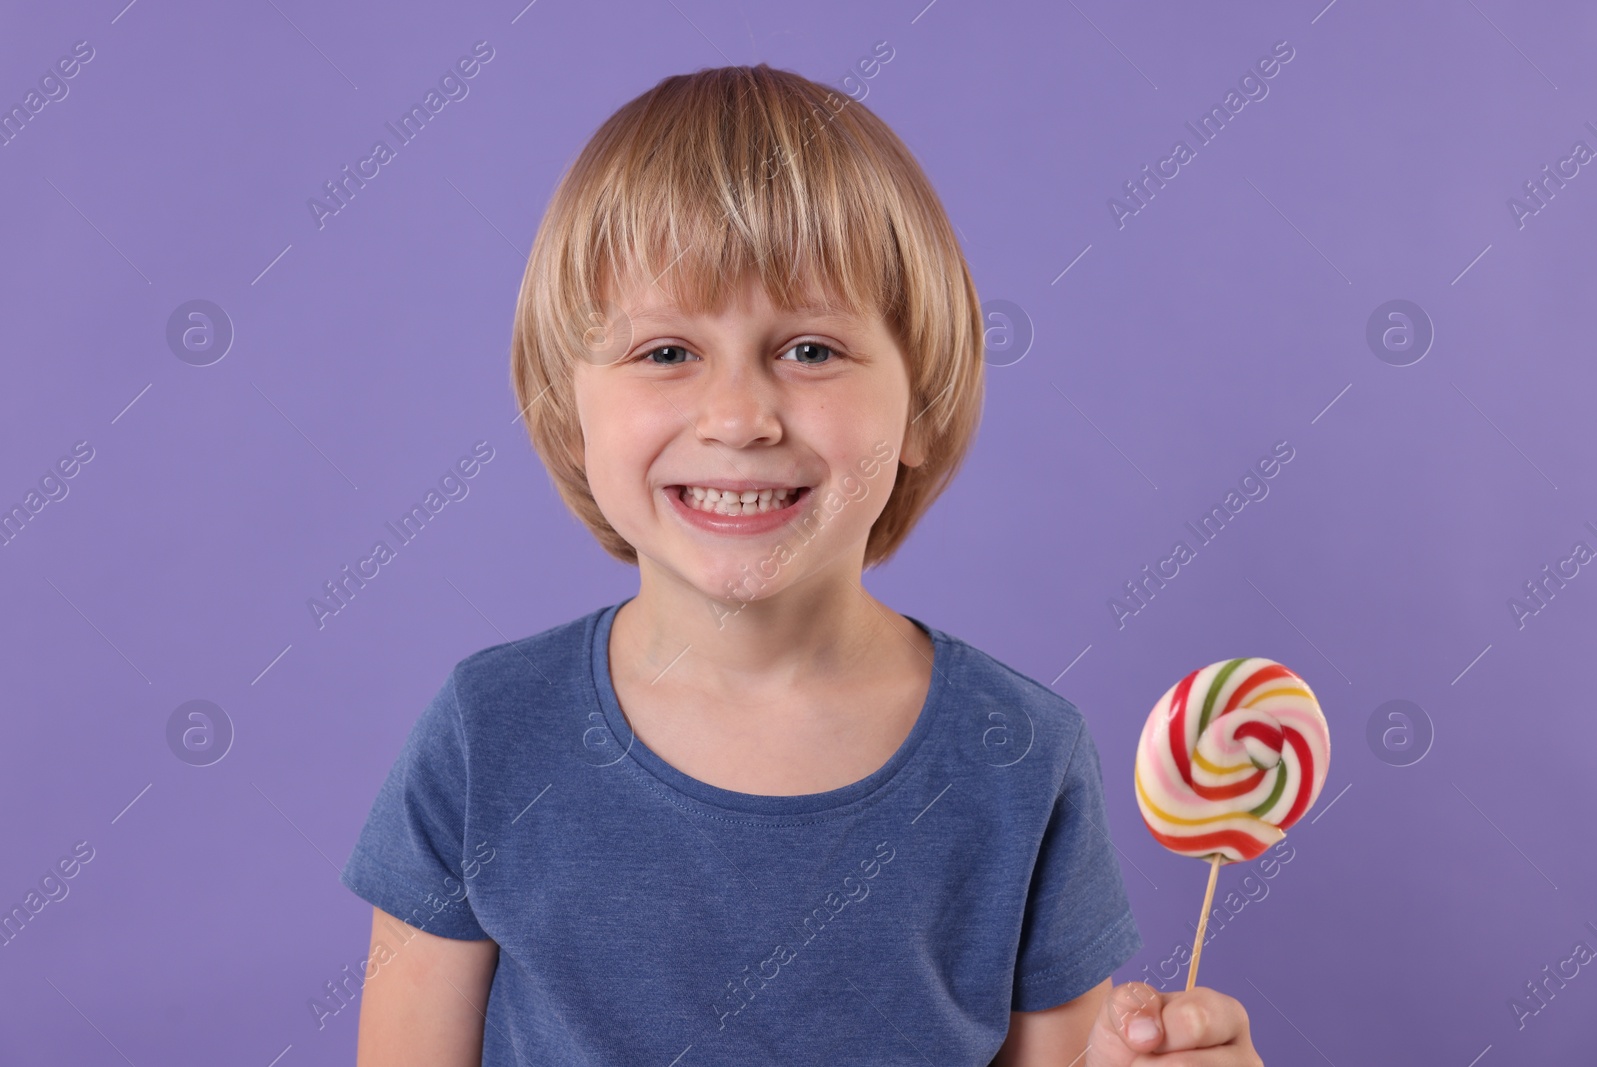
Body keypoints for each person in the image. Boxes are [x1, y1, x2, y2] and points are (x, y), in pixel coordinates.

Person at [338, 62, 1262, 1066]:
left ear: (921, 403)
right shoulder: (488, 736)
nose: (738, 416)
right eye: (664, 352)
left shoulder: (1020, 758)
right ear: (568, 413)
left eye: (811, 348)